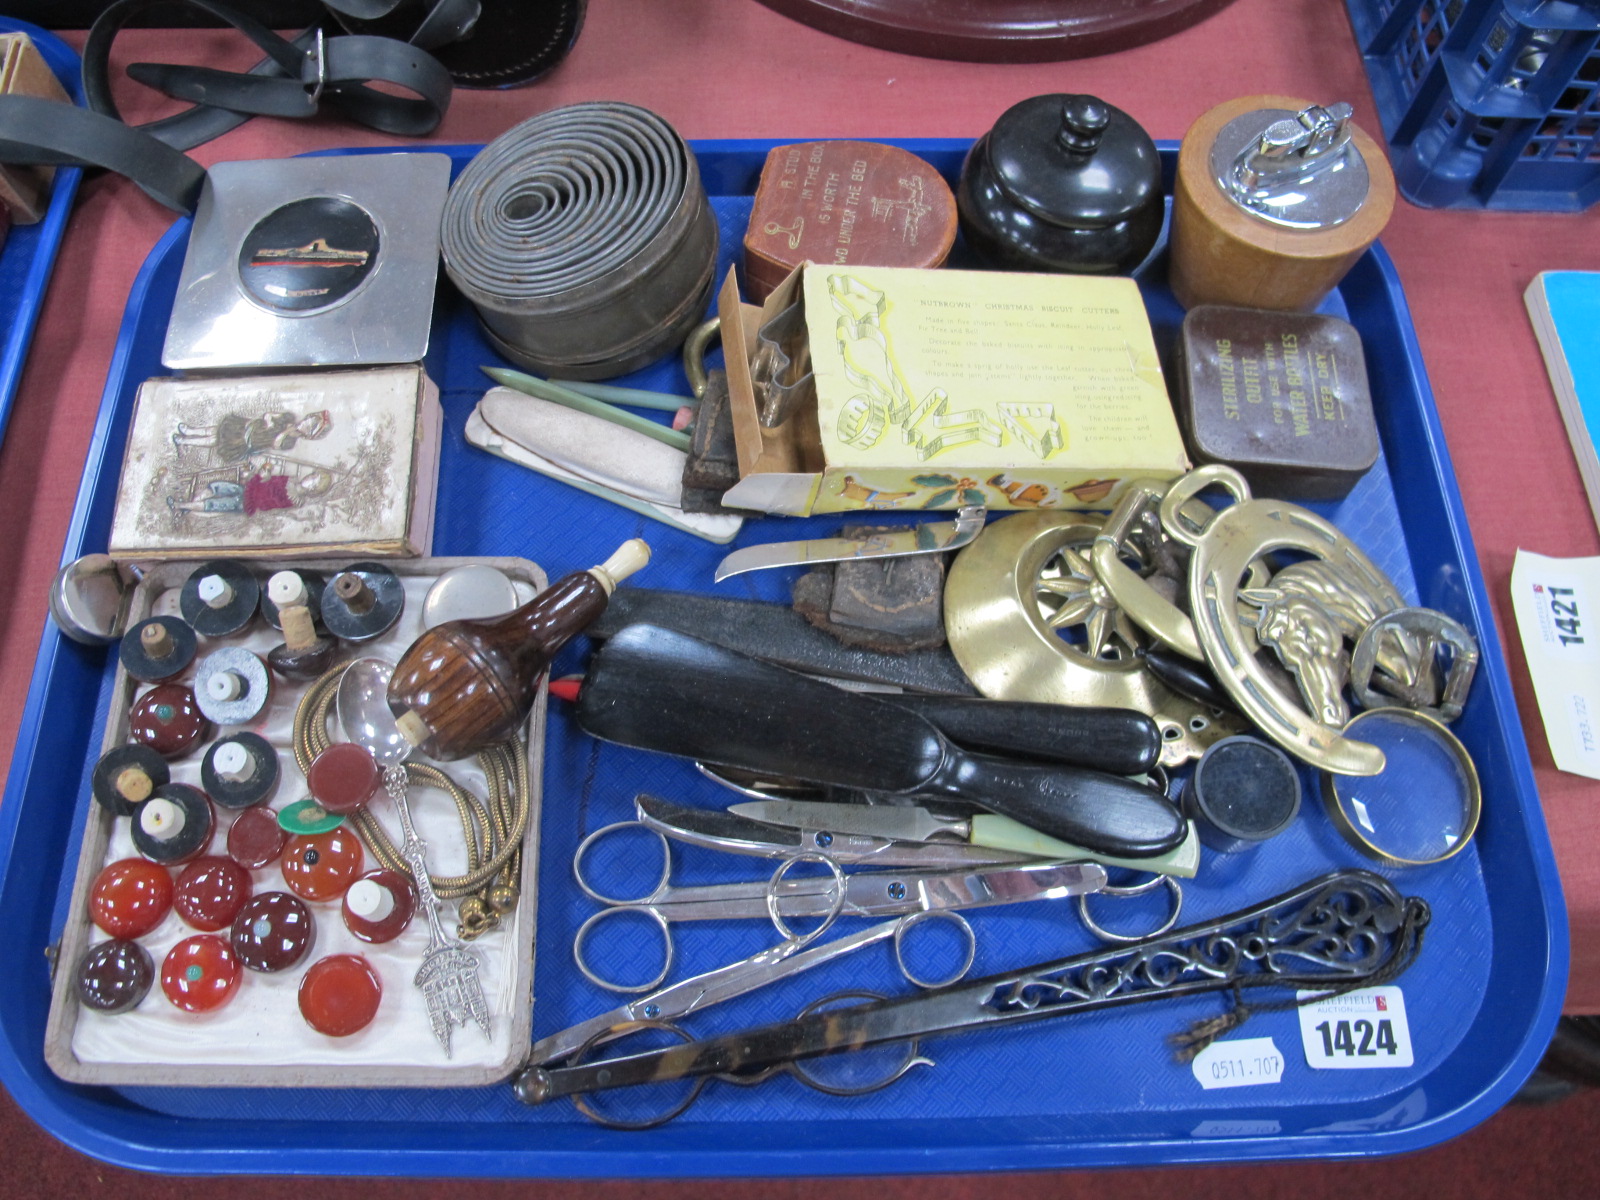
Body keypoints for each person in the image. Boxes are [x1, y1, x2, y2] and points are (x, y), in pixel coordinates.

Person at [168, 465, 335, 517]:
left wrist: (256, 479)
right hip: (247, 489)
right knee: (216, 485)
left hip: (247, 502)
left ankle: (180, 505)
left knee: (214, 504)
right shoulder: (289, 480)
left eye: (313, 479)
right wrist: (264, 473)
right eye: (312, 474)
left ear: (313, 489)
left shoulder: (293, 499)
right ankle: (189, 506)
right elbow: (269, 481)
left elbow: (267, 500)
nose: (309, 477)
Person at [171, 409, 332, 462]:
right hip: (248, 426)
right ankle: (190, 431)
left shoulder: (290, 441)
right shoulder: (289, 417)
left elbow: (276, 444)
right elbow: (269, 414)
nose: (305, 423)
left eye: (310, 426)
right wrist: (269, 420)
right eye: (309, 420)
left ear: (308, 434)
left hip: (248, 441)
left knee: (215, 441)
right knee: (217, 429)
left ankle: (185, 441)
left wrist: (285, 432)